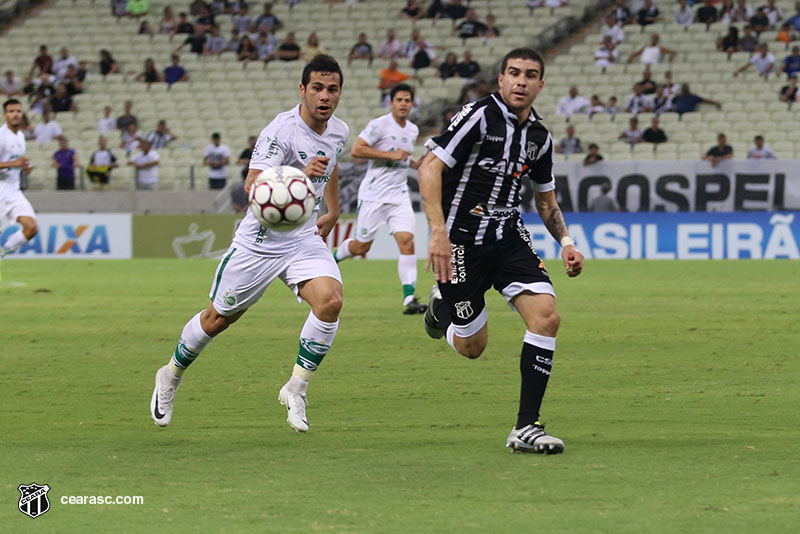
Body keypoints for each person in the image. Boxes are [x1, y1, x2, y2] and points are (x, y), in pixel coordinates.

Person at [148, 55, 349, 435]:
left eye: (332, 89)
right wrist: (298, 175)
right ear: (303, 90)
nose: (325, 96)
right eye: (318, 88)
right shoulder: (281, 131)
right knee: (217, 319)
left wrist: (333, 208)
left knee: (330, 301)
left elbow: (332, 162)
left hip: (302, 237)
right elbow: (252, 183)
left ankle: (296, 389)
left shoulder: (338, 130)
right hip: (260, 241)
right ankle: (170, 374)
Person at [418, 47, 583, 454]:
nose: (521, 81)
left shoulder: (540, 138)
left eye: (530, 75)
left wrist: (566, 242)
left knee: (547, 318)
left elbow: (545, 200)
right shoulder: (478, 116)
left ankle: (526, 427)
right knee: (473, 347)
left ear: (540, 85)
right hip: (459, 243)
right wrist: (437, 233)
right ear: (502, 79)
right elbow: (429, 167)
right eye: (514, 73)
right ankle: (441, 311)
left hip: (508, 238)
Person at [333, 83, 427, 314]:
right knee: (361, 246)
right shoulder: (379, 125)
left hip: (399, 195)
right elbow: (357, 149)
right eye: (399, 100)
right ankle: (331, 258)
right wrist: (389, 155)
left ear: (412, 104)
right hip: (374, 194)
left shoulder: (412, 130)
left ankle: (409, 299)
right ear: (391, 103)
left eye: (407, 100)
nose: (403, 104)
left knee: (407, 242)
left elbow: (403, 157)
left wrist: (416, 164)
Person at [0, 99, 38, 264]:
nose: (15, 114)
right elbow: (12, 162)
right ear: (5, 115)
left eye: (18, 111)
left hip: (14, 191)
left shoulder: (21, 136)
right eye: (11, 111)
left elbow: (17, 162)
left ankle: (2, 252)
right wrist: (13, 163)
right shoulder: (1, 136)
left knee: (31, 228)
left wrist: (24, 167)